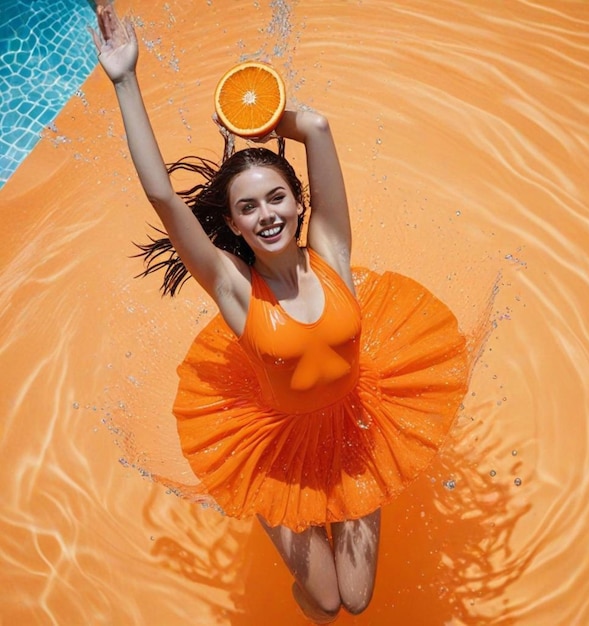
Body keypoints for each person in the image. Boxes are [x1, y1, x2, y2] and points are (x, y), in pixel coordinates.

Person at [91, 4, 470, 623]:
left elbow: (317, 128)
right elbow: (161, 193)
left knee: (360, 597)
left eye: (277, 197)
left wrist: (275, 124)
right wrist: (125, 80)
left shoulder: (332, 255)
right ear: (234, 224)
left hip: (358, 427)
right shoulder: (235, 288)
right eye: (248, 207)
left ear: (298, 204)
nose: (266, 214)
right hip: (277, 446)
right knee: (324, 602)